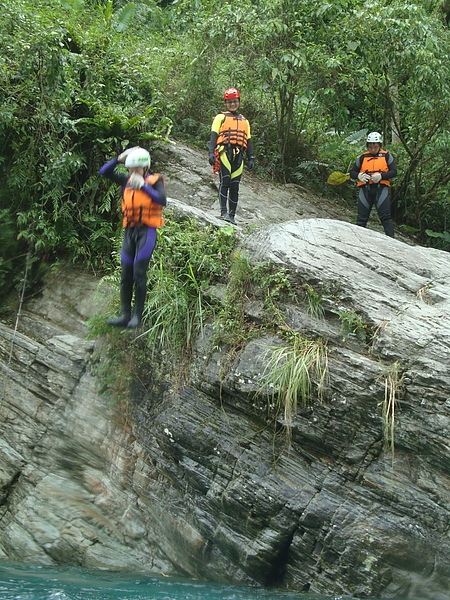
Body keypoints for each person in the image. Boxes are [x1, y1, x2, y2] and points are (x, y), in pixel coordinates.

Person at [99, 146, 167, 328]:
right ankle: (124, 315)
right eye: (130, 169)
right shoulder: (126, 181)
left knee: (139, 271)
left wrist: (143, 186)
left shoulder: (154, 181)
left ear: (145, 168)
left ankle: (137, 316)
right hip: (130, 232)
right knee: (125, 273)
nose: (133, 173)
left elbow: (162, 200)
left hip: (147, 231)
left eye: (136, 169)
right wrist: (119, 158)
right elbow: (103, 172)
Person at [208, 87, 255, 225]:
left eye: (234, 101)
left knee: (235, 186)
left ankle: (232, 216)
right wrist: (211, 153)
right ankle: (223, 213)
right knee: (225, 181)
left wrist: (251, 157)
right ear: (226, 103)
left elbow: (249, 140)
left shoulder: (245, 121)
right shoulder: (220, 118)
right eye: (229, 102)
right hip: (224, 152)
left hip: (239, 155)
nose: (232, 104)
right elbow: (214, 136)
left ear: (238, 101)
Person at [349, 131, 397, 238]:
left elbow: (394, 171)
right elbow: (352, 172)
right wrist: (359, 175)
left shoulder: (386, 156)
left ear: (379, 145)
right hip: (366, 190)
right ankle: (357, 241)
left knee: (385, 217)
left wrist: (381, 176)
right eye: (370, 145)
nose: (372, 148)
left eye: (375, 145)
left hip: (381, 189)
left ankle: (392, 241)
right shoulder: (362, 158)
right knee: (361, 218)